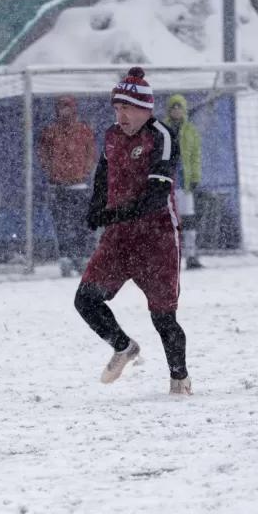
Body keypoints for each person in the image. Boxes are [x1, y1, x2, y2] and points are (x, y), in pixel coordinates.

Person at [74, 68, 192, 395]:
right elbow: (102, 173)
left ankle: (179, 379)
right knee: (85, 299)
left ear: (146, 109)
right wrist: (96, 208)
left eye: (127, 108)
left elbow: (156, 195)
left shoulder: (161, 136)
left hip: (157, 239)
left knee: (163, 317)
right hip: (119, 237)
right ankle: (124, 347)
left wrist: (117, 212)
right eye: (116, 108)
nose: (120, 115)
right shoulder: (112, 135)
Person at [37, 95, 97, 277]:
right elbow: (43, 155)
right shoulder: (50, 132)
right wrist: (54, 172)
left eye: (68, 107)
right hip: (58, 186)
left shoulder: (83, 130)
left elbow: (91, 153)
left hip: (79, 186)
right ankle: (66, 258)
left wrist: (83, 171)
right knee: (62, 225)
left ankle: (83, 258)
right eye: (62, 107)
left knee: (82, 225)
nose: (65, 111)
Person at [164, 93, 205, 270]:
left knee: (188, 220)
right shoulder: (161, 129)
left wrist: (195, 177)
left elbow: (196, 156)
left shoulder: (190, 131)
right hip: (168, 182)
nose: (176, 111)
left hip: (185, 182)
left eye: (179, 107)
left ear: (184, 109)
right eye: (173, 107)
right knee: (168, 222)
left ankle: (191, 255)